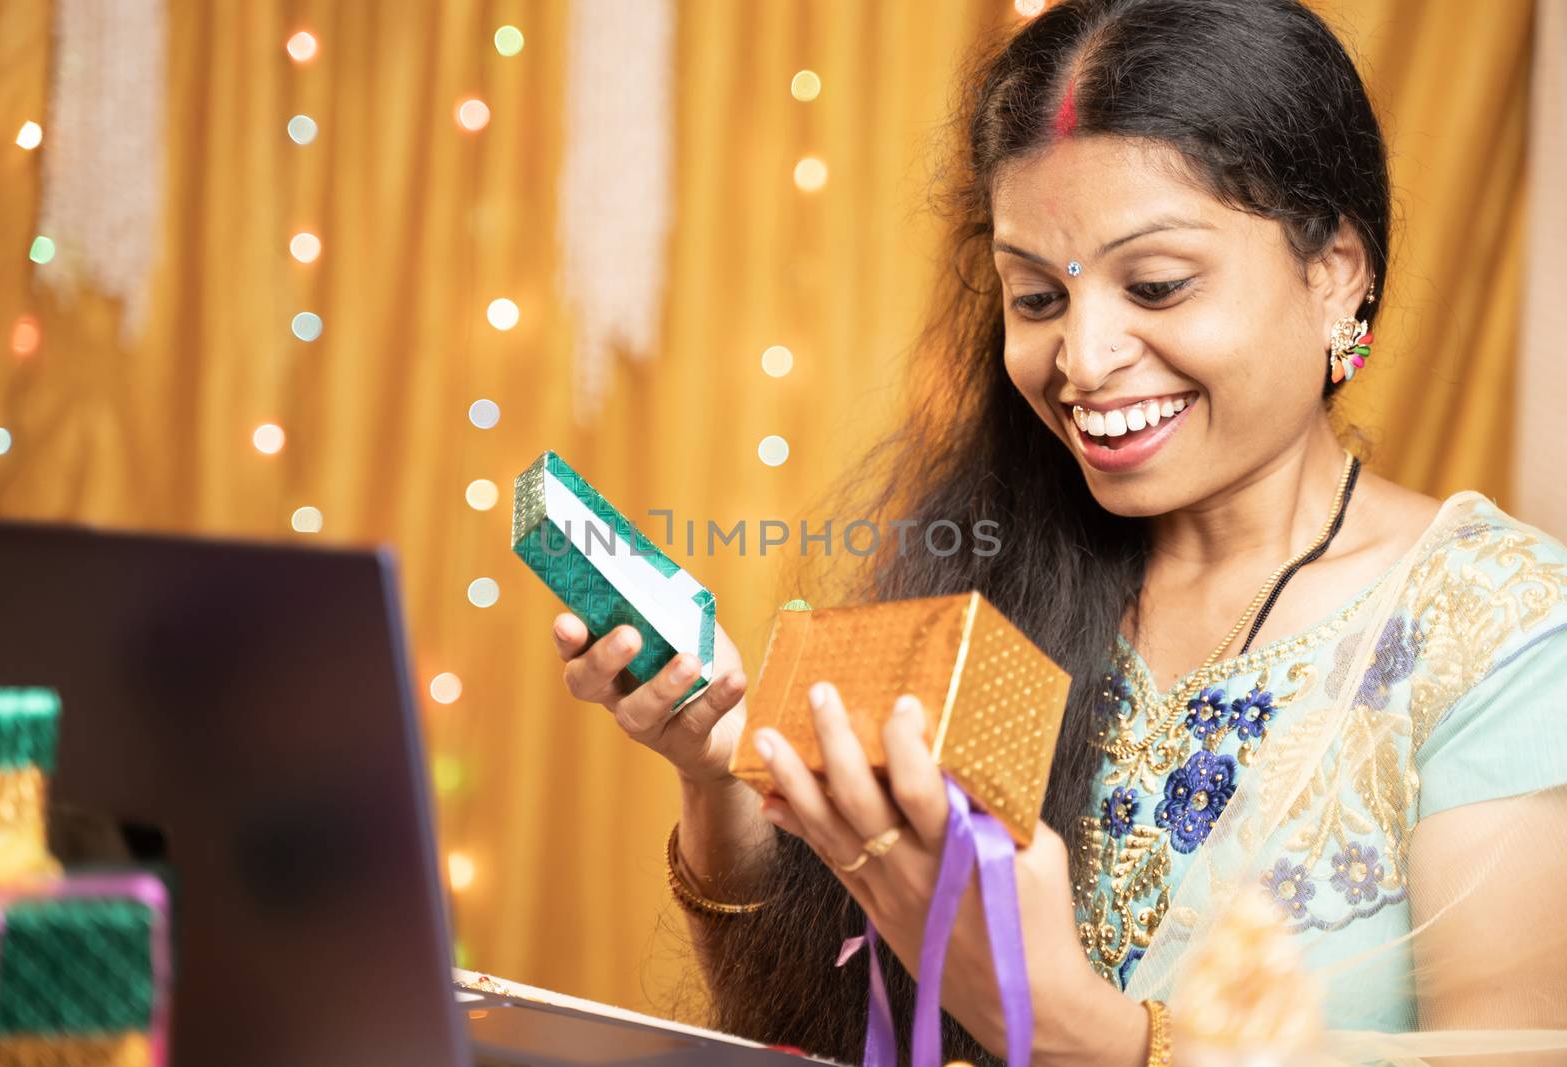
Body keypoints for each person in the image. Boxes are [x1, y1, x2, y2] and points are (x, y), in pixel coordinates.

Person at [553, 0, 1567, 1063]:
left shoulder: (1500, 629)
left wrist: (1086, 1032)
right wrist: (718, 780)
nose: (1081, 358)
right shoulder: (996, 572)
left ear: (1335, 274)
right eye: (1036, 298)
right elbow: (804, 1026)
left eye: (1157, 284)